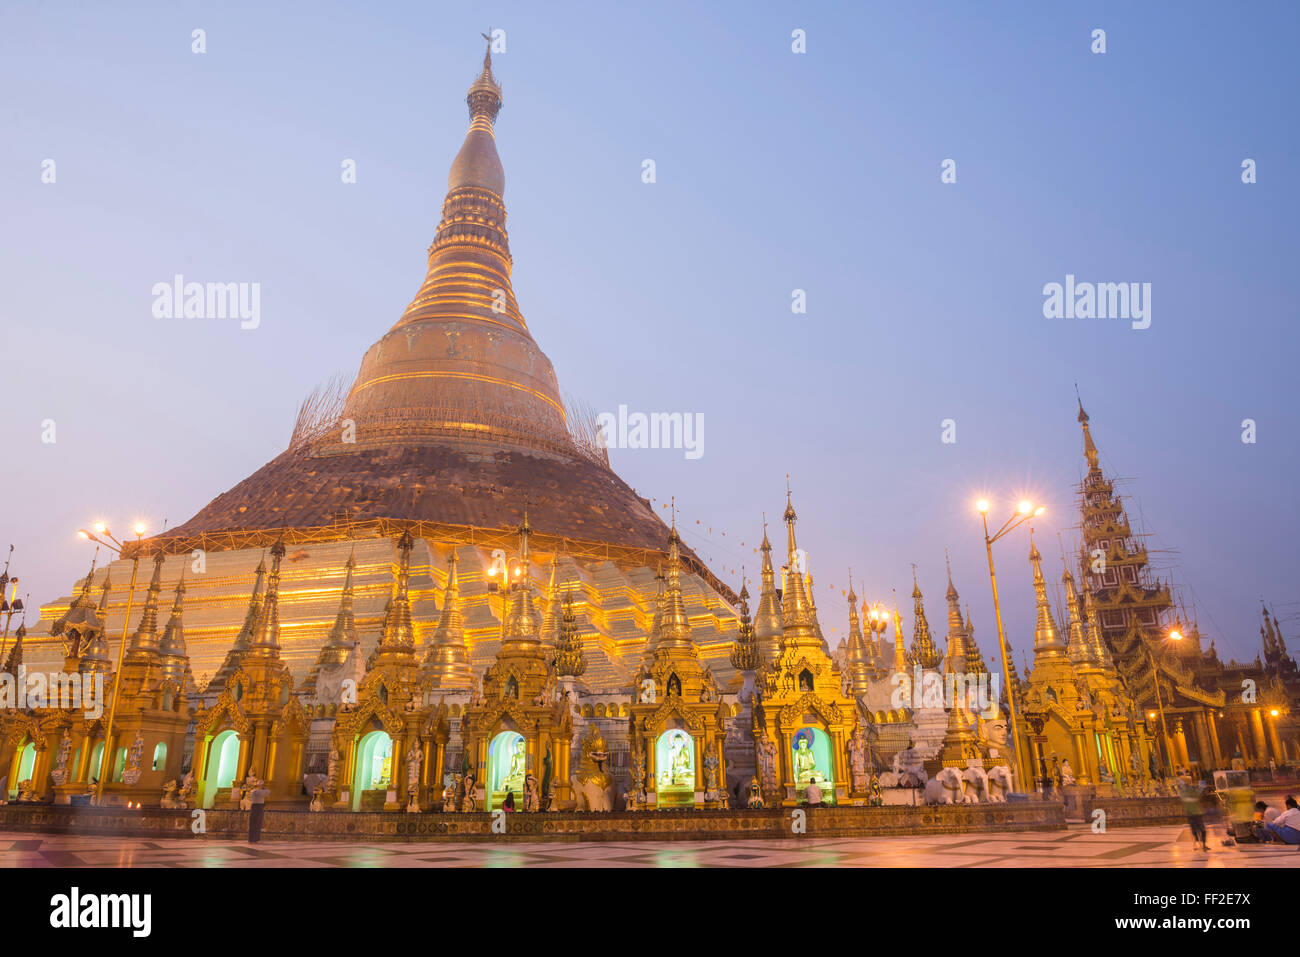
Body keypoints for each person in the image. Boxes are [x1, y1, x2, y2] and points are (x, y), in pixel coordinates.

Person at [1176, 773, 1208, 852]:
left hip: (1197, 812)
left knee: (1202, 830)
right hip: (1191, 813)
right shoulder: (1184, 791)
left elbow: (1197, 794)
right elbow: (1192, 796)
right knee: (1195, 829)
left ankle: (1203, 844)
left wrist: (1200, 788)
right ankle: (1198, 843)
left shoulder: (1191, 789)